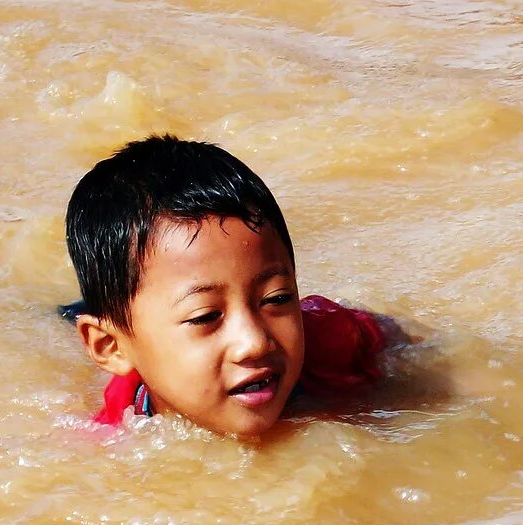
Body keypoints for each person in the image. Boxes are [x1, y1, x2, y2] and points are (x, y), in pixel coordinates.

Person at [63, 134, 405, 436]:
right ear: (112, 347)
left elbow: (411, 350)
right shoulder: (117, 430)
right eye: (205, 317)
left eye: (277, 298)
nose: (255, 343)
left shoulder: (333, 341)